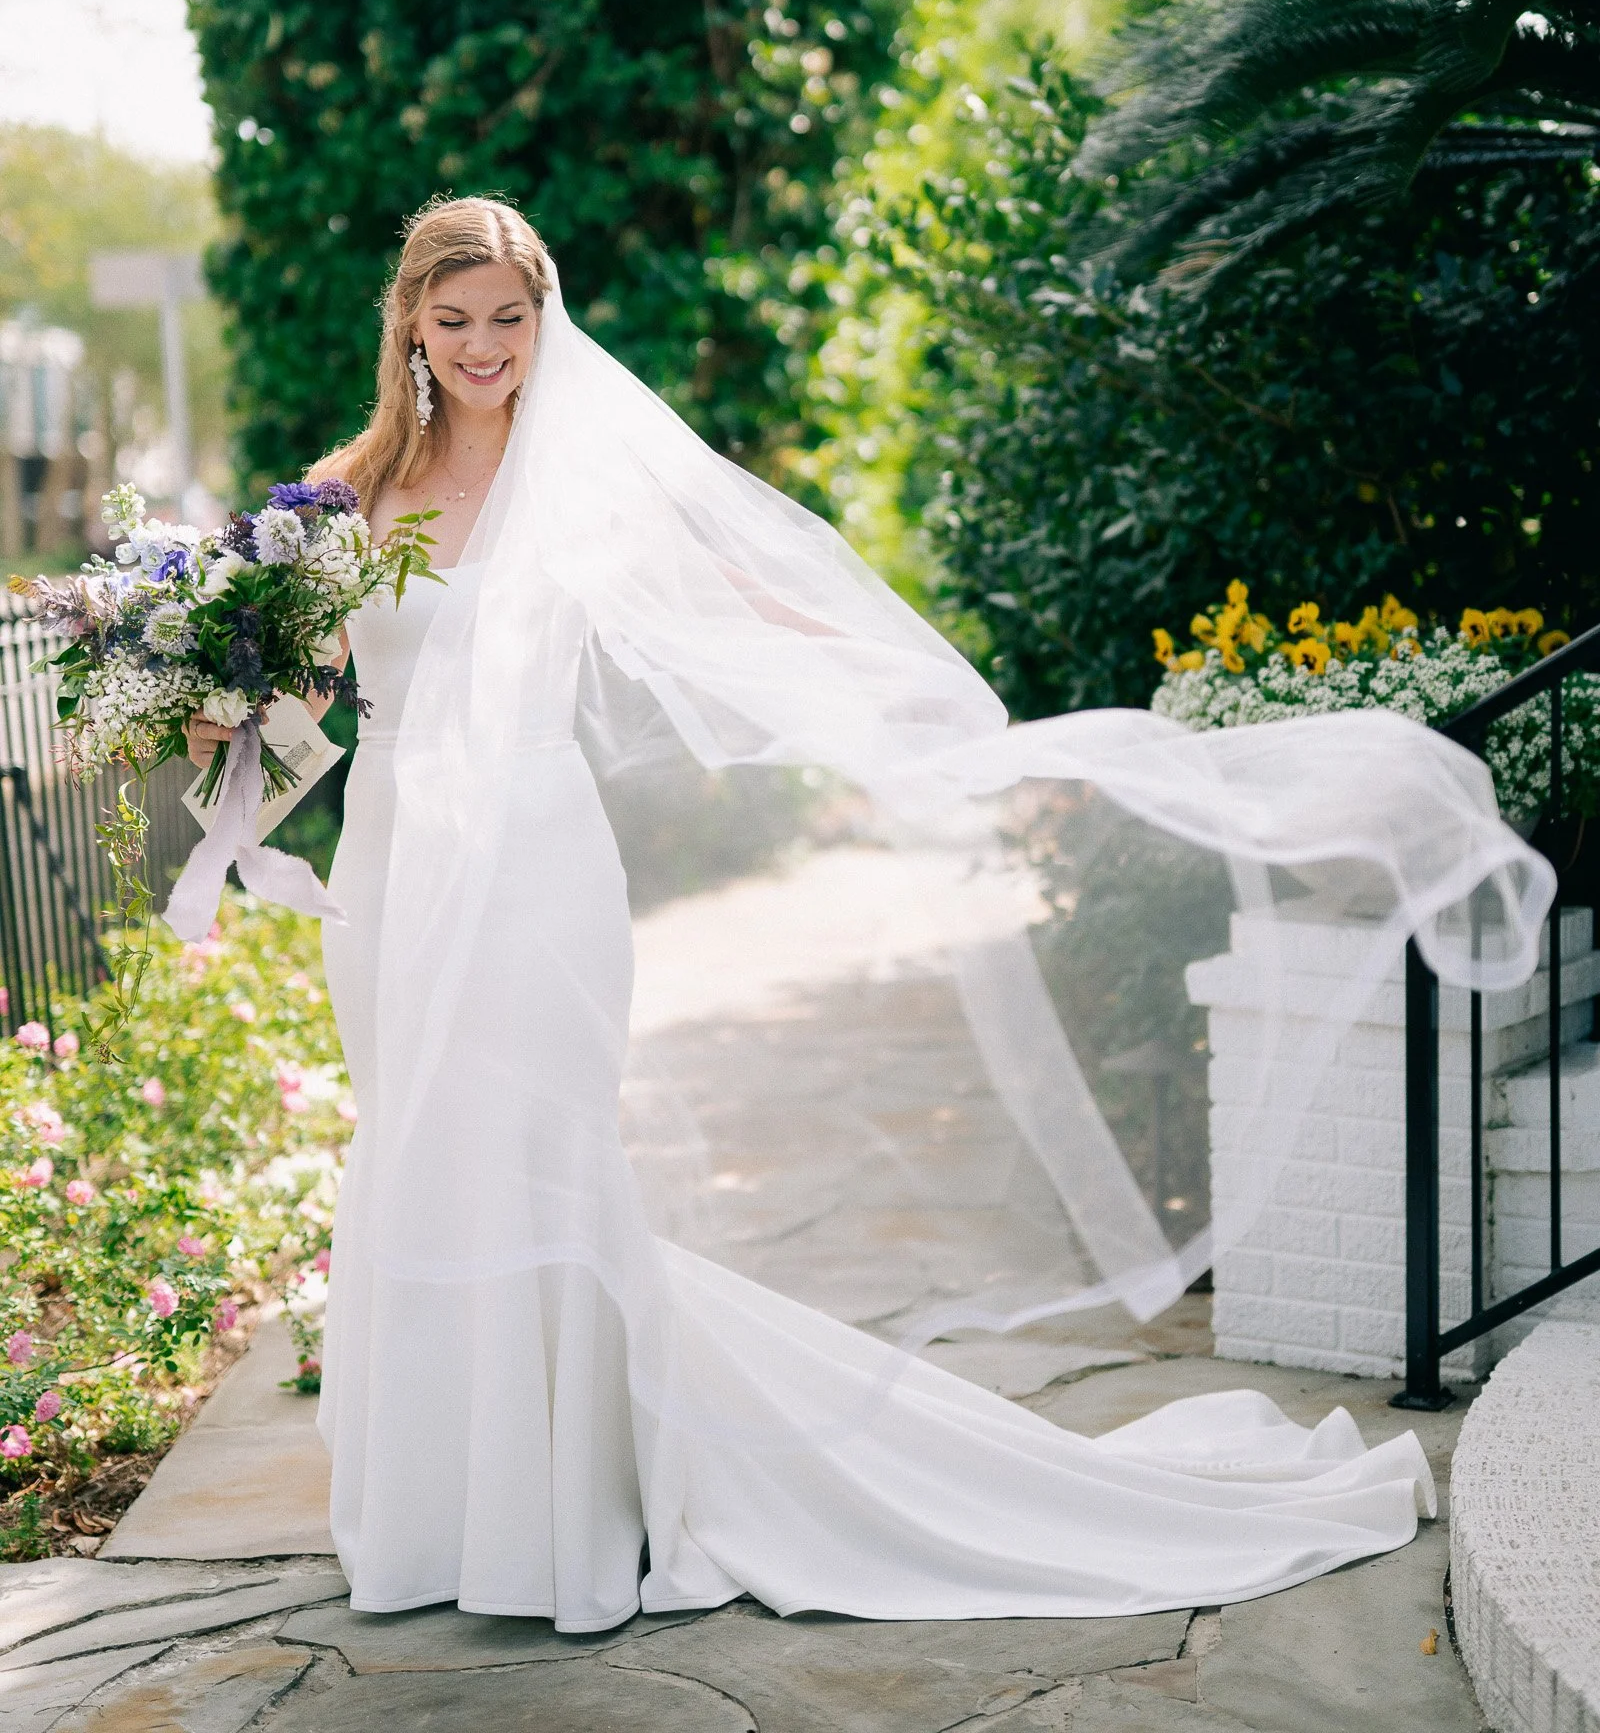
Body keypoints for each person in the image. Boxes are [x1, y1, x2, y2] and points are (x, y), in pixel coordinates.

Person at [186, 196, 1544, 1629]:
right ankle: (443, 1522)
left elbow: (732, 600)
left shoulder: (580, 479)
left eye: (507, 319)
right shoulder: (340, 496)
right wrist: (217, 710)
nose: (481, 347)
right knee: (416, 1147)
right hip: (393, 862)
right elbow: (311, 691)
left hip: (535, 858)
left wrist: (890, 684)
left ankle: (564, 1522)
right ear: (409, 322)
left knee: (538, 1151)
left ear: (544, 317)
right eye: (453, 320)